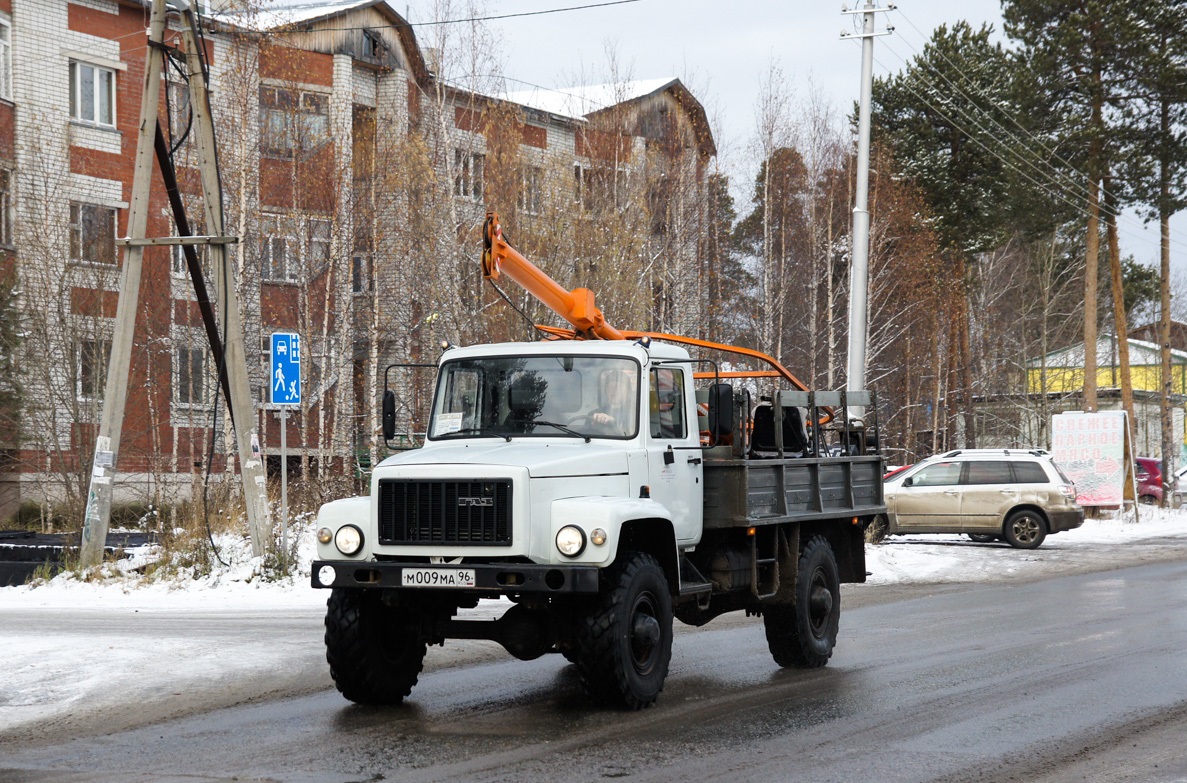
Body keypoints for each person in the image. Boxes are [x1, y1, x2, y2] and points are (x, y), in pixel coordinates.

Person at [589, 368, 636, 435]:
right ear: (606, 391)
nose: (614, 391)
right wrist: (594, 422)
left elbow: (631, 434)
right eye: (610, 387)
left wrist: (613, 421)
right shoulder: (593, 414)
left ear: (628, 391)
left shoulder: (635, 414)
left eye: (619, 387)